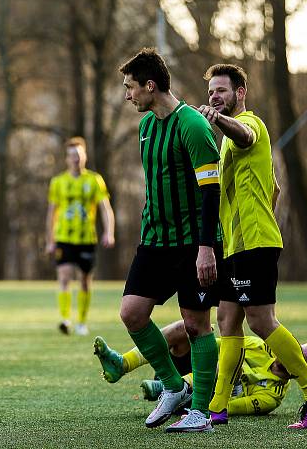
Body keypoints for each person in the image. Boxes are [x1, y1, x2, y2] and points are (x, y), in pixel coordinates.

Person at [196, 63, 307, 429]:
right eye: (211, 92)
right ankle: (217, 408)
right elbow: (275, 188)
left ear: (239, 93)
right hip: (236, 247)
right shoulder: (225, 142)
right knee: (227, 320)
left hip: (254, 244)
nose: (214, 97)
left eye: (221, 91)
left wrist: (216, 118)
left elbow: (244, 135)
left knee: (261, 320)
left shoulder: (251, 124)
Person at [117, 48, 222, 433]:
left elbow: (211, 191)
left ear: (150, 85)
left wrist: (206, 248)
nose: (127, 95)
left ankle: (201, 413)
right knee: (131, 313)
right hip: (154, 241)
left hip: (194, 244)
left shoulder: (192, 125)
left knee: (196, 325)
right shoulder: (146, 128)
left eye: (130, 87)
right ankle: (174, 387)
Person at [93, 321, 307, 418]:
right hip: (191, 368)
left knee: (226, 369)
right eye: (296, 346)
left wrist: (198, 410)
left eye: (300, 356)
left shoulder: (272, 396)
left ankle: (173, 389)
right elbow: (215, 346)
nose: (293, 350)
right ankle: (123, 364)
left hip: (200, 398)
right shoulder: (260, 346)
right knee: (193, 327)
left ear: (301, 371)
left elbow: (232, 407)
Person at [45, 136, 115, 336]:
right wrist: (50, 241)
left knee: (84, 280)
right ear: (66, 159)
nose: (75, 159)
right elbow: (51, 213)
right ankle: (65, 319)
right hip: (64, 238)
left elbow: (105, 208)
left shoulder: (94, 180)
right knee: (64, 277)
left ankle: (82, 322)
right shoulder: (58, 182)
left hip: (86, 239)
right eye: (71, 156)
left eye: (78, 155)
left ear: (84, 156)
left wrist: (109, 232)